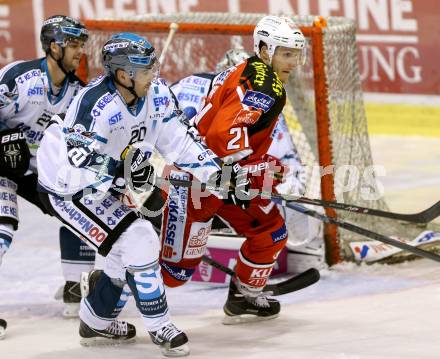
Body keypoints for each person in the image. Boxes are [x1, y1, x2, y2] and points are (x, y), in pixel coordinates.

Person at [36, 32, 224, 356]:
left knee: (125, 255)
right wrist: (122, 175)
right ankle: (160, 326)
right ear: (124, 75)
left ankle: (95, 320)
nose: (156, 75)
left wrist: (217, 173)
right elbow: (78, 158)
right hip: (69, 183)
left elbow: (181, 139)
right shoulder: (96, 102)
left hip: (110, 180)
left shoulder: (158, 94)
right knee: (138, 237)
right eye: (148, 69)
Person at [159, 15, 309, 324]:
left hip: (222, 175)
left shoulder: (249, 70)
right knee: (174, 276)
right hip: (196, 180)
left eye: (296, 53)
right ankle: (109, 281)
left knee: (271, 230)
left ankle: (243, 298)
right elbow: (220, 136)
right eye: (286, 53)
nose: (293, 62)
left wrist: (256, 171)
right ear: (265, 49)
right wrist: (243, 174)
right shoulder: (265, 86)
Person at [0, 15, 93, 324]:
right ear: (54, 47)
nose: (80, 51)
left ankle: (75, 287)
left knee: (82, 203)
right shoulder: (19, 78)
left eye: (82, 44)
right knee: (2, 229)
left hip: (39, 170)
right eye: (73, 45)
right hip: (3, 164)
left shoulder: (78, 94)